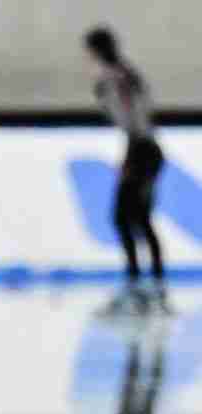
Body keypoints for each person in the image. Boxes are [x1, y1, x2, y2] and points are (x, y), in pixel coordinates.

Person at [84, 27, 168, 312]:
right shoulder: (123, 73)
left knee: (125, 218)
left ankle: (141, 287)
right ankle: (152, 287)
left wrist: (131, 157)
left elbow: (135, 121)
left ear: (95, 51)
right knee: (138, 219)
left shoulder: (114, 76)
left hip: (142, 151)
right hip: (145, 150)